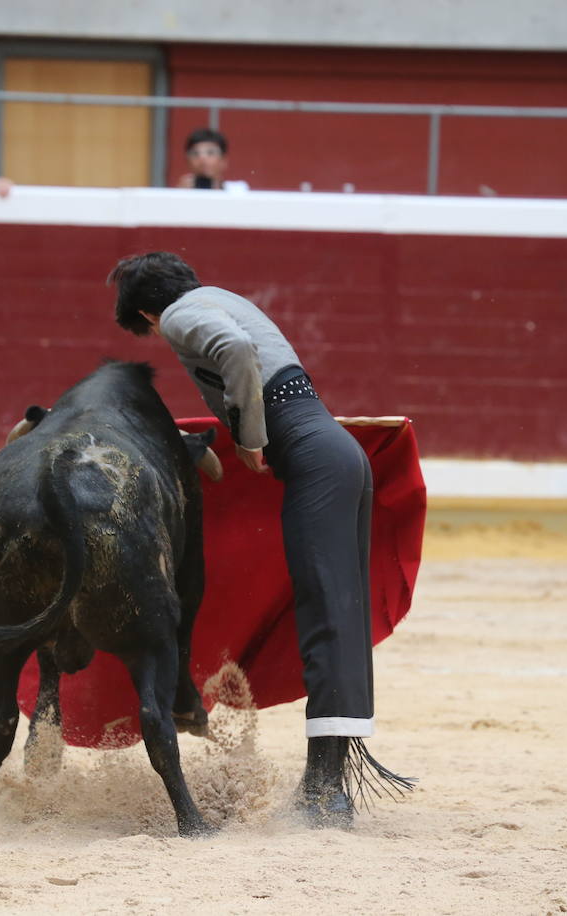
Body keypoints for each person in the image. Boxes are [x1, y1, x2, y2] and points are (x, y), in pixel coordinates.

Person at [108, 251, 413, 829]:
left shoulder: (178, 314)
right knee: (337, 616)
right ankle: (329, 786)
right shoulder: (226, 296)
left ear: (148, 311)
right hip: (337, 454)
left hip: (313, 459)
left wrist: (249, 437)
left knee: (325, 617)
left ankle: (326, 793)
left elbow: (237, 353)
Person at [176, 127, 249, 191]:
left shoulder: (238, 191)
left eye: (210, 153)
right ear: (188, 161)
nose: (202, 159)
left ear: (223, 160)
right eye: (196, 153)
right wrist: (179, 195)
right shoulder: (181, 192)